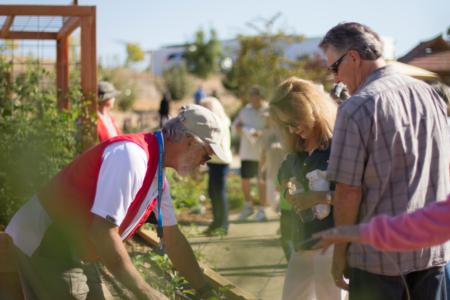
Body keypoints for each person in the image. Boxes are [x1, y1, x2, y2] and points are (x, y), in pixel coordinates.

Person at [5, 104, 229, 300]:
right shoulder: (131, 157)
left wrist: (206, 290)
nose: (203, 164)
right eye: (206, 155)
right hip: (48, 241)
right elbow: (103, 233)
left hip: (76, 246)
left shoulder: (158, 177)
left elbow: (174, 240)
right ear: (190, 142)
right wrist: (146, 293)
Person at [319, 22, 450, 300]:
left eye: (334, 68)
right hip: (432, 252)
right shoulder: (431, 94)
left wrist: (339, 252)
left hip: (378, 258)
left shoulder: (356, 107)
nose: (335, 79)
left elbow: (348, 191)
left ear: (353, 57)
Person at [270, 77, 343, 300]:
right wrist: (288, 190)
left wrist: (317, 197)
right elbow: (283, 175)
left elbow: (357, 197)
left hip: (333, 241)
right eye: (286, 125)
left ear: (313, 111)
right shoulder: (297, 150)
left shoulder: (337, 146)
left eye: (296, 121)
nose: (293, 130)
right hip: (303, 241)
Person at [233, 86, 268, 221]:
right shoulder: (245, 110)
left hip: (262, 151)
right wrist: (240, 128)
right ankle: (248, 206)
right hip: (247, 151)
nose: (253, 99)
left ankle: (262, 210)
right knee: (245, 179)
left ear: (261, 97)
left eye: (256, 96)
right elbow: (236, 126)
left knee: (261, 180)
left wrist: (261, 133)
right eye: (251, 96)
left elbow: (274, 129)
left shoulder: (268, 110)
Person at [199, 97, 233, 236]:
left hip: (221, 162)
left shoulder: (220, 123)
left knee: (219, 193)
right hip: (215, 162)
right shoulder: (218, 122)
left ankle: (223, 224)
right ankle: (216, 222)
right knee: (213, 193)